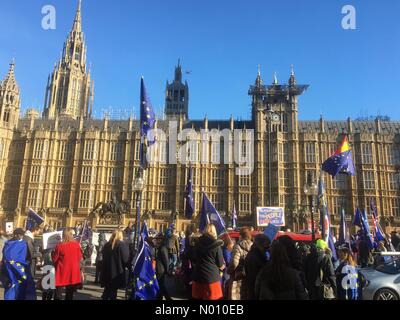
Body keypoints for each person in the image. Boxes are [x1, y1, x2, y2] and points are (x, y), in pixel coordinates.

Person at [1, 228, 36, 300]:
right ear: (15, 235)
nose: (20, 236)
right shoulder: (11, 243)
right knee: (13, 289)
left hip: (15, 270)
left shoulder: (21, 243)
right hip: (13, 270)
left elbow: (25, 256)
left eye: (21, 235)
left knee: (14, 288)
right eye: (19, 235)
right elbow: (7, 256)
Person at [192, 224, 225, 300]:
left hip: (198, 275)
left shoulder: (197, 242)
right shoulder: (217, 245)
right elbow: (220, 263)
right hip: (211, 277)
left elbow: (193, 258)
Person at [52, 228, 83, 300]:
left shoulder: (60, 245)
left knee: (58, 293)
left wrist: (52, 253)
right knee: (69, 294)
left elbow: (54, 259)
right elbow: (79, 258)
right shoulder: (77, 245)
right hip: (73, 271)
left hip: (62, 271)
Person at [101, 229, 129, 300]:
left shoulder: (107, 245)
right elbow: (125, 259)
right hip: (116, 272)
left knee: (107, 290)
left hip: (106, 271)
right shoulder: (121, 245)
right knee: (113, 291)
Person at [226, 227, 253, 300]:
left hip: (238, 278)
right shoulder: (253, 246)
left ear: (241, 236)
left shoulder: (238, 247)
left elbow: (234, 263)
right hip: (250, 277)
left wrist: (229, 271)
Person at [244, 234, 270, 300]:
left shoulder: (256, 253)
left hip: (254, 289)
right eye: (266, 247)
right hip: (255, 290)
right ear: (260, 245)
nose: (267, 250)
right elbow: (256, 276)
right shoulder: (255, 256)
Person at [154, 233, 171, 300]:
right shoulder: (160, 247)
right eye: (157, 239)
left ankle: (167, 298)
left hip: (161, 270)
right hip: (158, 269)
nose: (157, 240)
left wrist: (167, 270)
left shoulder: (163, 248)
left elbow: (166, 260)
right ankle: (160, 297)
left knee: (161, 285)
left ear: (161, 240)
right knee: (160, 285)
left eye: (158, 239)